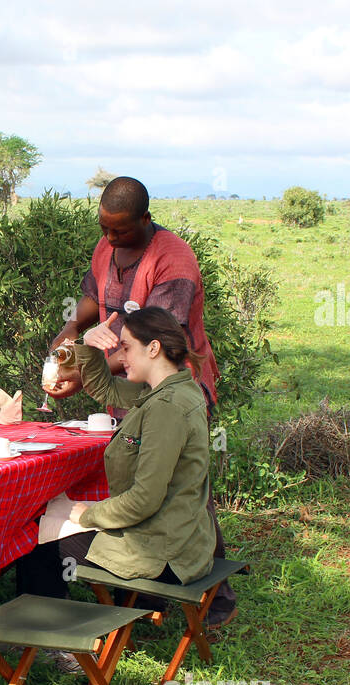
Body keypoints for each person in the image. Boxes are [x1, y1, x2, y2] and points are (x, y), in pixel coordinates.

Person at [45, 177, 237, 628]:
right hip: (138, 382)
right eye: (104, 229)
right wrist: (66, 342)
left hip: (173, 383)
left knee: (181, 481)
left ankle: (207, 590)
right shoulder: (106, 249)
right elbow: (89, 305)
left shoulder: (173, 262)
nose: (110, 239)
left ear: (146, 220)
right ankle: (155, 589)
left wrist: (84, 515)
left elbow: (151, 342)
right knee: (147, 471)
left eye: (121, 231)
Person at [19, 307, 216, 669]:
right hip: (179, 534)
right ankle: (41, 632)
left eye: (126, 348)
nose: (120, 357)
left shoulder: (168, 407)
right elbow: (102, 386)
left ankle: (55, 643)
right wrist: (87, 346)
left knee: (38, 537)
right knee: (48, 519)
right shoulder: (171, 390)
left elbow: (144, 499)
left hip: (164, 550)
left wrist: (89, 514)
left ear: (153, 348)